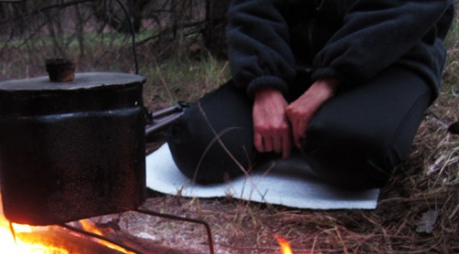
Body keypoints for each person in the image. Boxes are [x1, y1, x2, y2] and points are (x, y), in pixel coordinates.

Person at [167, 0, 455, 189]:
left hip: (388, 60)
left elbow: (404, 11)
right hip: (289, 60)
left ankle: (326, 130)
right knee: (197, 144)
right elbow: (252, 6)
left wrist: (331, 79)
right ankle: (303, 133)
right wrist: (265, 84)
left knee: (352, 150)